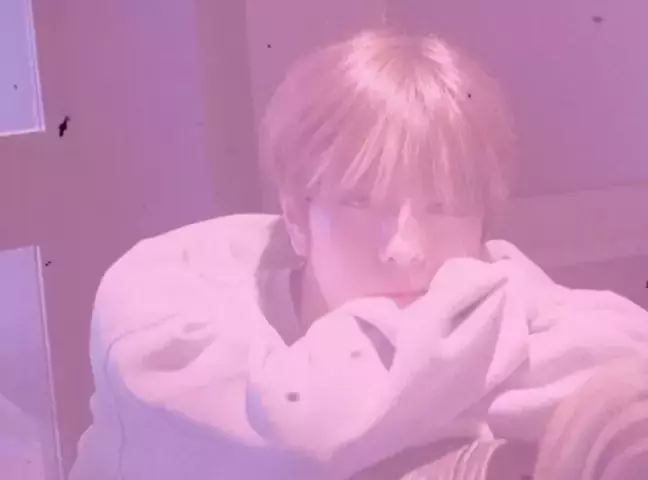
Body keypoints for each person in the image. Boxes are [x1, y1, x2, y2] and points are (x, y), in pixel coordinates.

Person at [69, 29, 648, 479]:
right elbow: (292, 444)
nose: (405, 250)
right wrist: (460, 364)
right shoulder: (163, 292)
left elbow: (629, 377)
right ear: (297, 216)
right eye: (359, 203)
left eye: (443, 208)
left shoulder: (492, 282)